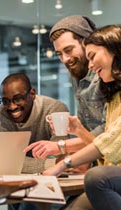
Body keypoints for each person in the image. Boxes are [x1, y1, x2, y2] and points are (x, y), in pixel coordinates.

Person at [39, 24, 121, 210]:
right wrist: (78, 130)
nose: (91, 65)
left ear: (114, 49)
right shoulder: (115, 97)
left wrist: (62, 164)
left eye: (93, 56)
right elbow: (107, 152)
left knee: (97, 177)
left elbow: (117, 143)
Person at [28, 15, 105, 162]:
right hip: (101, 162)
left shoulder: (106, 75)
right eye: (59, 54)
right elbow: (89, 132)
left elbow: (110, 135)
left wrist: (61, 146)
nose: (65, 59)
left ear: (87, 42)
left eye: (68, 50)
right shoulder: (77, 75)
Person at [0, 72, 69, 210]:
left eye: (17, 99)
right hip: (14, 182)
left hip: (52, 182)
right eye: (5, 101)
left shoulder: (55, 110)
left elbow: (60, 152)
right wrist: (56, 164)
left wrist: (59, 162)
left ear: (32, 94)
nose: (11, 106)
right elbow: (9, 164)